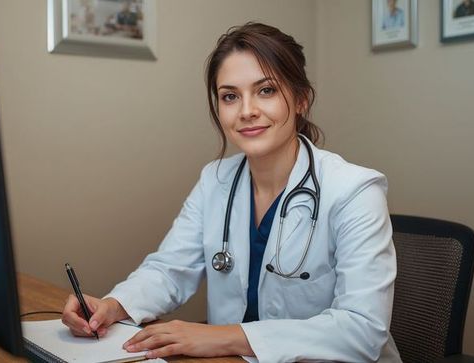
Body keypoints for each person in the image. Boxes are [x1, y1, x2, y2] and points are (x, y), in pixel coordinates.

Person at [62, 22, 401, 362]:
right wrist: (112, 305)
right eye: (230, 96)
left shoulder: (355, 191)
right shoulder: (215, 180)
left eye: (266, 90)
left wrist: (227, 337)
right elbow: (169, 270)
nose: (246, 110)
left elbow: (363, 329)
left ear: (301, 100)